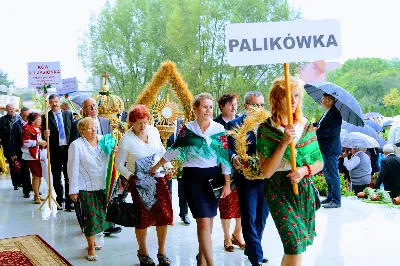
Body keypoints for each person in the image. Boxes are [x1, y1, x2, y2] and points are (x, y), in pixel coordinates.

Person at [151, 93, 232, 266]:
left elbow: (224, 158)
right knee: (202, 221)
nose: (208, 110)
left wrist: (227, 183)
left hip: (213, 178)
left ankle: (201, 260)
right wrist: (157, 166)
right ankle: (211, 264)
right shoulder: (187, 129)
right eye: (204, 106)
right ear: (195, 109)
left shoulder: (218, 129)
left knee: (208, 222)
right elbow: (175, 150)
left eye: (210, 107)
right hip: (192, 178)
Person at [258, 77, 324, 266]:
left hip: (303, 189)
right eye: (287, 95)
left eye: (296, 95)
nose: (293, 100)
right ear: (276, 99)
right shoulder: (266, 129)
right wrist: (284, 142)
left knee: (296, 246)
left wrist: (304, 170)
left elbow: (319, 162)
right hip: (278, 189)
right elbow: (266, 172)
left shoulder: (305, 125)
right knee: (293, 244)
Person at [115, 105, 173, 266]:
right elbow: (118, 164)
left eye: (145, 122)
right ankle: (143, 253)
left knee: (163, 216)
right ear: (132, 123)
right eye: (139, 123)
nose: (142, 126)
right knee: (143, 218)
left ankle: (162, 252)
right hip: (139, 183)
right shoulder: (126, 139)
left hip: (159, 180)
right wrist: (131, 176)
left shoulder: (153, 131)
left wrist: (168, 167)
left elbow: (162, 150)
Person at [227, 91, 269, 265]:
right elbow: (227, 148)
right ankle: (255, 257)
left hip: (266, 177)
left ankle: (254, 247)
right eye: (255, 105)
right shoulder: (234, 124)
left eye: (262, 105)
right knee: (249, 215)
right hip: (245, 178)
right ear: (246, 106)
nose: (259, 108)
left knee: (262, 217)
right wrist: (234, 157)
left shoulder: (269, 124)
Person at [69, 97, 121, 236]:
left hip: (102, 171)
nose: (93, 108)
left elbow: (109, 145)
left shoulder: (105, 122)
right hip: (84, 173)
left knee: (104, 201)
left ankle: (107, 225)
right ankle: (88, 228)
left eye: (94, 105)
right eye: (89, 106)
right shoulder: (77, 125)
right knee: (88, 208)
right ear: (83, 110)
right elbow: (73, 151)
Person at [67, 117, 114, 261]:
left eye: (94, 127)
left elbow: (110, 157)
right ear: (81, 131)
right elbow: (72, 168)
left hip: (101, 185)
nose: (93, 130)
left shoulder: (103, 140)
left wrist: (114, 150)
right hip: (84, 186)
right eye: (89, 128)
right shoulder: (76, 145)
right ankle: (91, 247)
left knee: (99, 215)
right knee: (90, 217)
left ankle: (93, 240)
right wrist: (73, 190)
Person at [214, 93, 245, 253]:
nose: (234, 107)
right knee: (226, 204)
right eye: (230, 104)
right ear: (222, 106)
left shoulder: (241, 122)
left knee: (241, 203)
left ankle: (237, 233)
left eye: (235, 104)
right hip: (222, 171)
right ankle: (227, 236)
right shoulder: (215, 124)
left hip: (241, 170)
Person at [42, 94, 75, 211]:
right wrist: (45, 135)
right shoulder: (45, 117)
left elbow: (73, 130)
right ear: (49, 103)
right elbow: (42, 135)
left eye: (56, 101)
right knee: (56, 176)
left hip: (67, 149)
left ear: (59, 102)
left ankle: (69, 201)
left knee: (68, 176)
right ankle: (59, 200)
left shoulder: (68, 114)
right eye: (51, 102)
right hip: (55, 150)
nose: (54, 104)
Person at [313, 93, 342, 208]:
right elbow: (320, 125)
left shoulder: (335, 114)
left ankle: (336, 200)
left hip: (331, 149)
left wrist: (317, 131)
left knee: (332, 174)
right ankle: (330, 197)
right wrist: (312, 125)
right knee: (327, 174)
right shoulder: (328, 112)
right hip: (325, 148)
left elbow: (332, 132)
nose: (321, 102)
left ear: (330, 100)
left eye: (323, 100)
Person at [166, 117, 191, 225]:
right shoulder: (161, 121)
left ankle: (184, 214)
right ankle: (168, 214)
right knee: (168, 188)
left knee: (183, 188)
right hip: (168, 158)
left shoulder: (185, 123)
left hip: (182, 160)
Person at [21, 113, 47, 204]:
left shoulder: (38, 128)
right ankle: (36, 196)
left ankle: (38, 194)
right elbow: (26, 142)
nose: (40, 121)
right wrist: (38, 143)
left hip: (39, 154)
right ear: (33, 120)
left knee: (39, 175)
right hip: (31, 155)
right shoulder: (26, 128)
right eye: (39, 119)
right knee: (36, 175)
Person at [9, 107, 32, 198]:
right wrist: (13, 153)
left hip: (33, 150)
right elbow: (13, 140)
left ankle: (33, 188)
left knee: (35, 171)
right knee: (25, 171)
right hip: (22, 151)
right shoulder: (16, 125)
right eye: (25, 115)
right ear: (21, 115)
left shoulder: (32, 123)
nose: (26, 117)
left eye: (28, 115)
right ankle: (26, 191)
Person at [0, 104, 21, 190]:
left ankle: (21, 182)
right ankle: (15, 183)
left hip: (19, 145)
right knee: (13, 164)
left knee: (21, 164)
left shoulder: (19, 118)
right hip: (8, 145)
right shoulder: (2, 120)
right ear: (6, 110)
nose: (11, 111)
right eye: (9, 109)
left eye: (13, 109)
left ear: (15, 109)